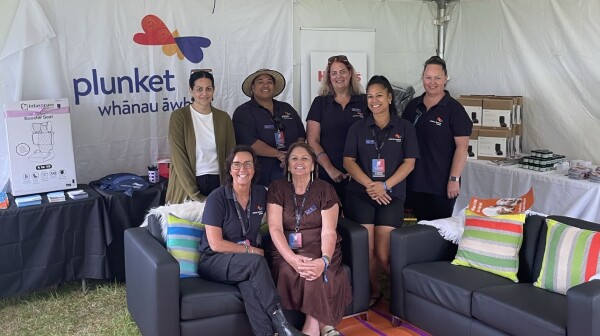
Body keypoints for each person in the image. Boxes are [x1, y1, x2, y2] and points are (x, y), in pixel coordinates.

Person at [198, 145, 305, 336]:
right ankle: (282, 325)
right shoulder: (217, 198)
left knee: (250, 288)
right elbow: (216, 244)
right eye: (237, 164)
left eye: (248, 164)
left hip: (243, 264)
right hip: (214, 260)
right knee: (256, 262)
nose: (242, 169)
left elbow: (283, 212)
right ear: (230, 169)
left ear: (254, 168)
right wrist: (252, 251)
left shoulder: (261, 194)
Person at [343, 75, 420, 307]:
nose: (374, 100)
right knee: (367, 250)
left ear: (389, 97)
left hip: (390, 195)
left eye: (379, 95)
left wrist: (384, 186)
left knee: (384, 253)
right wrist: (370, 185)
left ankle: (401, 297)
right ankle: (373, 293)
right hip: (360, 194)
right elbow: (348, 161)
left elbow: (409, 163)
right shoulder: (358, 127)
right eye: (370, 96)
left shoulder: (404, 127)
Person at [267, 142, 351, 336]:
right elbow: (275, 228)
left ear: (313, 165)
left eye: (305, 158)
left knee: (314, 271)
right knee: (295, 269)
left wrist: (324, 260)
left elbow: (329, 232)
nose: (299, 162)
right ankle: (325, 327)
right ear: (287, 165)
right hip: (287, 249)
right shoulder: (277, 188)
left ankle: (310, 329)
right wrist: (292, 259)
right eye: (294, 158)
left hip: (320, 246)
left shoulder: (326, 189)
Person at [402, 56, 473, 221]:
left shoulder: (455, 110)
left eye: (437, 78)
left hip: (441, 185)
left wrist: (454, 179)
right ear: (422, 77)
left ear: (445, 79)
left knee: (438, 233)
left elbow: (462, 148)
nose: (432, 82)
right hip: (414, 183)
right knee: (417, 232)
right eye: (428, 77)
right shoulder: (412, 107)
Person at [306, 55, 368, 208]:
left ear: (350, 74)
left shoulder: (364, 101)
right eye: (334, 73)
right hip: (328, 175)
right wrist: (330, 170)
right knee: (330, 223)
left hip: (361, 175)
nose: (338, 76)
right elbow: (312, 140)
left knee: (358, 225)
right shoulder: (320, 103)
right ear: (328, 77)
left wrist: (359, 173)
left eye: (342, 72)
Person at [166, 70, 236, 204]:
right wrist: (195, 194)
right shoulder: (179, 116)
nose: (204, 93)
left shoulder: (223, 118)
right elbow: (178, 157)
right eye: (199, 89)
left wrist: (227, 187)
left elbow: (231, 154)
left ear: (214, 90)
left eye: (208, 89)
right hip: (187, 185)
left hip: (219, 183)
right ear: (191, 90)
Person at [233, 69, 306, 187]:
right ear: (252, 88)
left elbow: (301, 136)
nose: (265, 85)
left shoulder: (286, 108)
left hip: (291, 170)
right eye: (260, 82)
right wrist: (279, 154)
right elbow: (248, 142)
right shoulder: (243, 112)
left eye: (269, 82)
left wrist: (294, 156)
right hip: (260, 174)